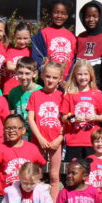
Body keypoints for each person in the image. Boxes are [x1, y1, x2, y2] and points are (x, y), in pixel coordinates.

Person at [27, 62, 65, 196]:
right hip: (38, 140)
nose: (50, 80)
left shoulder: (63, 96)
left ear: (60, 79)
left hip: (56, 141)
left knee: (54, 175)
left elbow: (67, 121)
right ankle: (33, 201)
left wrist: (59, 138)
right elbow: (30, 119)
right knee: (35, 173)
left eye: (54, 78)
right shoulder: (35, 95)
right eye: (48, 76)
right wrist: (40, 138)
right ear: (42, 76)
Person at [62, 59, 102, 160]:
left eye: (85, 74)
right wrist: (74, 118)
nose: (83, 77)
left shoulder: (97, 94)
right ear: (75, 76)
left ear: (91, 75)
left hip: (92, 140)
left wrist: (95, 117)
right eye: (79, 74)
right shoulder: (69, 94)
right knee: (74, 168)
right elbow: (64, 117)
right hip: (73, 140)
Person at [0, 114, 45, 191]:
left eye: (15, 128)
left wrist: (37, 181)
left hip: (27, 192)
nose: (11, 131)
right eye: (8, 128)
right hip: (5, 193)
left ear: (23, 130)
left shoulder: (32, 148)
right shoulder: (0, 149)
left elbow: (40, 165)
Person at [31, 0, 76, 78]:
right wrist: (46, 72)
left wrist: (68, 79)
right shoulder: (43, 33)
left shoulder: (72, 36)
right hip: (49, 79)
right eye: (55, 12)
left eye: (63, 13)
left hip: (66, 81)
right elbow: (37, 57)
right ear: (50, 13)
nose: (59, 16)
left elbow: (74, 61)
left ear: (67, 15)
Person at [75, 1, 102, 82]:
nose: (91, 19)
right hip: (81, 83)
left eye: (95, 16)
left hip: (101, 84)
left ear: (101, 17)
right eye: (87, 16)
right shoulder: (81, 37)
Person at [2, 21, 33, 96]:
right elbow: (9, 66)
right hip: (10, 89)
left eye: (25, 38)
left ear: (30, 37)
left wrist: (15, 66)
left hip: (26, 88)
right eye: (19, 38)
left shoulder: (31, 51)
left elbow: (33, 68)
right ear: (14, 37)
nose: (22, 41)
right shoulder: (10, 50)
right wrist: (26, 68)